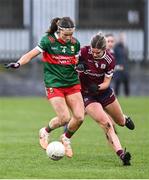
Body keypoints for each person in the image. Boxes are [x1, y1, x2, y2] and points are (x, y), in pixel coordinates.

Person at [5, 17, 85, 158]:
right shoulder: (47, 41)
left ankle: (66, 138)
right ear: (59, 30)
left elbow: (78, 61)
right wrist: (18, 63)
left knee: (79, 117)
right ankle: (45, 131)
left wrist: (81, 65)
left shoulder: (75, 43)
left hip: (72, 83)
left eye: (71, 34)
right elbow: (31, 54)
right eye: (66, 34)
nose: (69, 38)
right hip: (54, 84)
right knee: (65, 118)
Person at [77, 33, 135, 165]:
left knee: (119, 121)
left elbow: (107, 83)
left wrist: (96, 87)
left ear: (104, 50)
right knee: (106, 124)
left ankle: (124, 118)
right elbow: (72, 65)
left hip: (103, 92)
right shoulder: (84, 52)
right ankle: (122, 155)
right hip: (87, 95)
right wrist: (78, 66)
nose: (94, 54)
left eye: (98, 53)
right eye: (93, 51)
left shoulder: (110, 59)